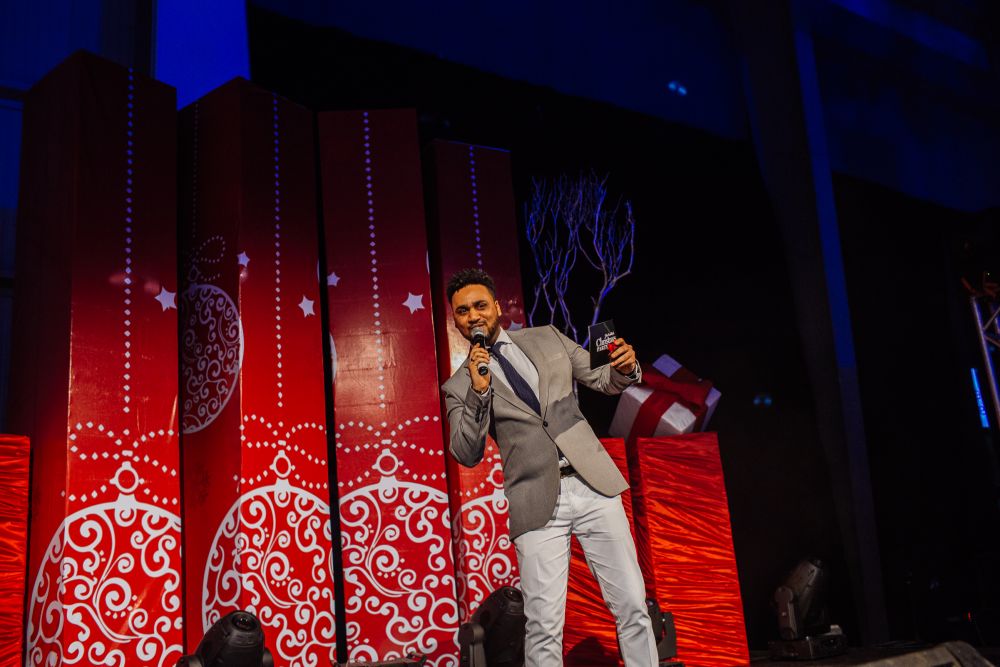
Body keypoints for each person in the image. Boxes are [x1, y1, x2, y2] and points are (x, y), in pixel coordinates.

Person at [441, 268, 659, 667]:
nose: (473, 316)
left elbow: (603, 379)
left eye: (480, 305)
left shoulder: (547, 337)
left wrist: (625, 368)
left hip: (593, 485)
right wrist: (478, 392)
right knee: (543, 625)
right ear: (455, 320)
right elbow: (466, 452)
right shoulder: (458, 386)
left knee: (632, 605)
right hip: (536, 502)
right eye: (462, 311)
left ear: (497, 308)